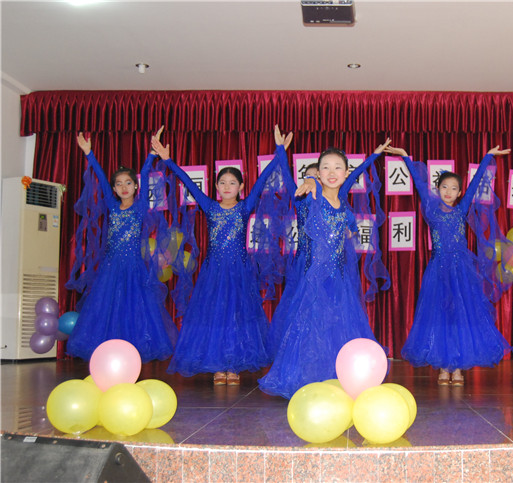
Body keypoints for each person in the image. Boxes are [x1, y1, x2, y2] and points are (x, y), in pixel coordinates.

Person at [152, 127, 291, 385]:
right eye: (223, 182)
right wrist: (168, 161)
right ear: (216, 186)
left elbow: (264, 178)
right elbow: (187, 183)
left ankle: (233, 365)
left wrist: (279, 151)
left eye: (232, 183)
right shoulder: (210, 206)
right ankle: (218, 365)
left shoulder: (245, 206)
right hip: (214, 273)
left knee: (236, 317)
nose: (227, 186)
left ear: (241, 186)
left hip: (238, 272)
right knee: (214, 317)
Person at [258, 140, 389, 398]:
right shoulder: (312, 196)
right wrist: (299, 170)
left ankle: (339, 378)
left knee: (336, 329)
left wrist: (374, 155)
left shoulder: (342, 201)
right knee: (310, 330)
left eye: (338, 167)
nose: (331, 171)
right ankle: (308, 380)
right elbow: (303, 183)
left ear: (345, 173)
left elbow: (357, 175)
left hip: (338, 280)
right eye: (325, 167)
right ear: (318, 173)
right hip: (313, 280)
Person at [386, 144, 512, 386]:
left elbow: (475, 184)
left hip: (461, 272)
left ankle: (459, 368)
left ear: (460, 192)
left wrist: (487, 157)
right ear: (438, 189)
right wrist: (406, 157)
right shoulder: (431, 209)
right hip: (438, 271)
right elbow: (419, 183)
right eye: (444, 187)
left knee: (460, 318)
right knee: (442, 318)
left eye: (454, 188)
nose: (449, 191)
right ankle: (444, 366)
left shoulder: (461, 209)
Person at [66, 130, 177, 362]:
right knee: (108, 310)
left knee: (132, 311)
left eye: (128, 183)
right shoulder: (112, 205)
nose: (124, 187)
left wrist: (151, 154)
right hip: (111, 268)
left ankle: (129, 356)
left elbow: (145, 172)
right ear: (114, 190)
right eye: (118, 184)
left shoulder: (139, 207)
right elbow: (100, 177)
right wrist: (89, 154)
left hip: (133, 268)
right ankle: (109, 356)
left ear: (136, 187)